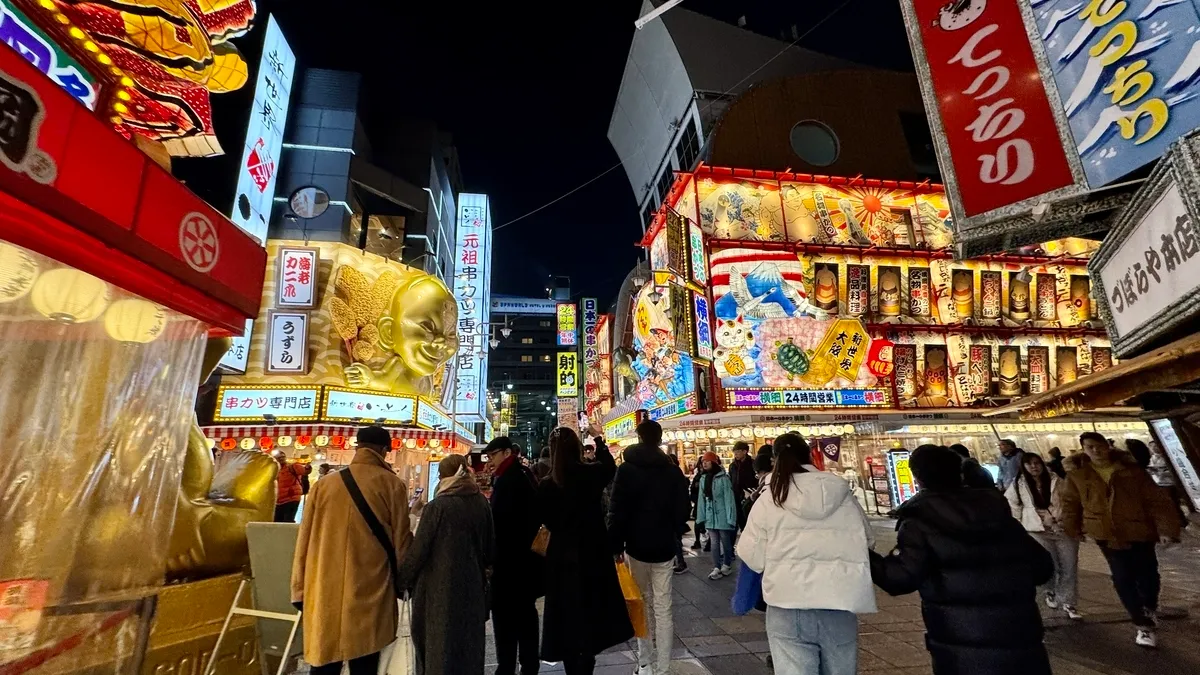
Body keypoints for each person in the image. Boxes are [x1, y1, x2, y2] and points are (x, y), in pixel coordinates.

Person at [870, 445, 1054, 675]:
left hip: (962, 644)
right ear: (959, 473)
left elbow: (900, 578)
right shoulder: (996, 511)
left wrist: (865, 556)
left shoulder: (920, 521)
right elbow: (1042, 568)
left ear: (917, 477)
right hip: (1021, 639)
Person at [740, 433, 876, 675]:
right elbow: (868, 542)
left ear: (775, 460)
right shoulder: (841, 493)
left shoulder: (771, 497)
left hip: (786, 602)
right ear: (810, 455)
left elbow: (752, 555)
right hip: (840, 601)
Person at [291, 426, 412, 674]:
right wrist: (404, 581)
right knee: (365, 657)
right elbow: (401, 542)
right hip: (370, 585)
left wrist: (299, 588)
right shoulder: (392, 485)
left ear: (358, 447)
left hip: (325, 586)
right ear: (383, 450)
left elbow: (304, 540)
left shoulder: (324, 485)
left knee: (325, 659)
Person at [1060, 432, 1181, 648]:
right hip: (1105, 533)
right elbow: (1070, 504)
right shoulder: (1079, 476)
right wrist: (1073, 528)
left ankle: (1148, 606)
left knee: (1148, 574)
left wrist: (1165, 529)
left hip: (1139, 530)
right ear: (1083, 449)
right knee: (1122, 576)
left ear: (1107, 446)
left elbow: (1156, 501)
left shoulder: (1132, 471)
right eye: (1089, 447)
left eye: (1099, 446)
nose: (1095, 451)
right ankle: (1141, 624)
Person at [538, 428, 633, 673]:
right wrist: (599, 439)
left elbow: (544, 519)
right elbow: (609, 465)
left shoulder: (547, 484)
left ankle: (571, 665)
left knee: (566, 615)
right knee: (592, 612)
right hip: (593, 552)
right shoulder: (590, 474)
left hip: (561, 557)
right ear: (577, 447)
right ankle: (587, 663)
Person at [397, 454, 494, 675]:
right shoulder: (481, 502)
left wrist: (402, 580)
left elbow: (419, 550)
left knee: (439, 648)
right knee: (469, 647)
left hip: (439, 591)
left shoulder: (438, 507)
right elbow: (490, 548)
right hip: (473, 590)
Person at [608, 420, 690, 675]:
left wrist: (615, 543)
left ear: (639, 437)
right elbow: (683, 509)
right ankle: (664, 667)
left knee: (640, 604)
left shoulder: (626, 469)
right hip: (664, 546)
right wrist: (674, 530)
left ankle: (645, 663)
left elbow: (617, 509)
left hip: (635, 546)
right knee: (664, 608)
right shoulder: (672, 470)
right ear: (659, 438)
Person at [486, 436, 544, 675]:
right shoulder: (520, 474)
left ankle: (508, 666)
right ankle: (528, 665)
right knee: (526, 616)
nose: (490, 461)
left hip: (511, 563)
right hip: (525, 562)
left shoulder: (510, 479)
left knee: (506, 619)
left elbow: (503, 523)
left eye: (493, 455)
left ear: (507, 452)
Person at [1005, 453, 1081, 620]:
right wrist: (1018, 528)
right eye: (1029, 464)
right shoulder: (1019, 485)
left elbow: (1070, 502)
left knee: (1069, 566)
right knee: (1049, 565)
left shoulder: (1058, 480)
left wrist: (1065, 519)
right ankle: (1051, 591)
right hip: (1036, 530)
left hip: (1062, 528)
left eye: (1036, 463)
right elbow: (1013, 506)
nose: (1034, 467)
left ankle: (1069, 601)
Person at [695, 451, 737, 580]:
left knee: (725, 541)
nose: (704, 463)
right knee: (713, 542)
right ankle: (717, 567)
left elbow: (729, 499)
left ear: (713, 462)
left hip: (723, 515)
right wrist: (700, 517)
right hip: (710, 516)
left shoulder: (724, 479)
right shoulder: (703, 479)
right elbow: (701, 500)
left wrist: (731, 517)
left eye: (707, 461)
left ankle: (727, 564)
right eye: (703, 461)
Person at [729, 441, 757, 531]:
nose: (736, 454)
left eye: (738, 452)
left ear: (745, 451)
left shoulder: (753, 464)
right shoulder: (732, 466)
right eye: (735, 452)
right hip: (736, 495)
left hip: (750, 495)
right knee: (740, 518)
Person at [273, 450, 305, 523]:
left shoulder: (292, 467)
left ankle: (288, 534)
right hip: (279, 500)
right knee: (276, 521)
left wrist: (307, 468)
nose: (281, 459)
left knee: (288, 520)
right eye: (279, 457)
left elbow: (304, 471)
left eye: (283, 457)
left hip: (291, 498)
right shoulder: (275, 469)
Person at [689, 466, 708, 551]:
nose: (703, 465)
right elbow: (693, 489)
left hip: (709, 502)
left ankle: (709, 542)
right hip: (699, 502)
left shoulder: (713, 476)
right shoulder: (699, 476)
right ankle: (698, 540)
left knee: (710, 524)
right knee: (698, 522)